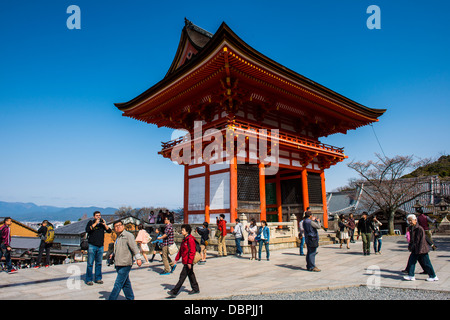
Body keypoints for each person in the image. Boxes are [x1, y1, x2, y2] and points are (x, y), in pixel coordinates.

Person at [108, 220, 143, 300]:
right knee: (125, 283)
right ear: (114, 229)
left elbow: (134, 247)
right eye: (116, 226)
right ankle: (130, 297)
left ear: (123, 226)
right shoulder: (118, 237)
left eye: (120, 225)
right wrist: (113, 254)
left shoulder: (128, 235)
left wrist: (138, 258)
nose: (118, 227)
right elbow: (118, 248)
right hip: (118, 263)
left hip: (125, 263)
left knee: (118, 284)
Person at [167, 224, 200, 297]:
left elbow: (192, 252)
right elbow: (181, 251)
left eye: (183, 230)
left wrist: (189, 262)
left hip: (188, 261)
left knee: (182, 277)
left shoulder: (190, 239)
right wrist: (176, 259)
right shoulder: (184, 239)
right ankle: (196, 288)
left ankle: (174, 291)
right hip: (185, 260)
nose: (181, 231)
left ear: (187, 231)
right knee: (191, 274)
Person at [403, 214, 438, 282]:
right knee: (412, 261)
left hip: (421, 249)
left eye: (411, 220)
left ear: (415, 220)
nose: (410, 222)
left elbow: (421, 240)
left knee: (426, 263)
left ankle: (433, 276)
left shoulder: (419, 228)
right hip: (416, 249)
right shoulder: (411, 228)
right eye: (409, 220)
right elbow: (412, 240)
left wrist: (419, 249)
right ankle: (411, 275)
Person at [85, 211, 112, 285]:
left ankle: (98, 278)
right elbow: (87, 230)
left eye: (99, 215)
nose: (98, 217)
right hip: (92, 245)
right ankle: (89, 279)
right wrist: (95, 224)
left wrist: (104, 224)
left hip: (100, 246)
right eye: (97, 215)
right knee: (90, 263)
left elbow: (109, 231)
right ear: (94, 216)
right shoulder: (91, 222)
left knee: (99, 263)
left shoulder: (102, 223)